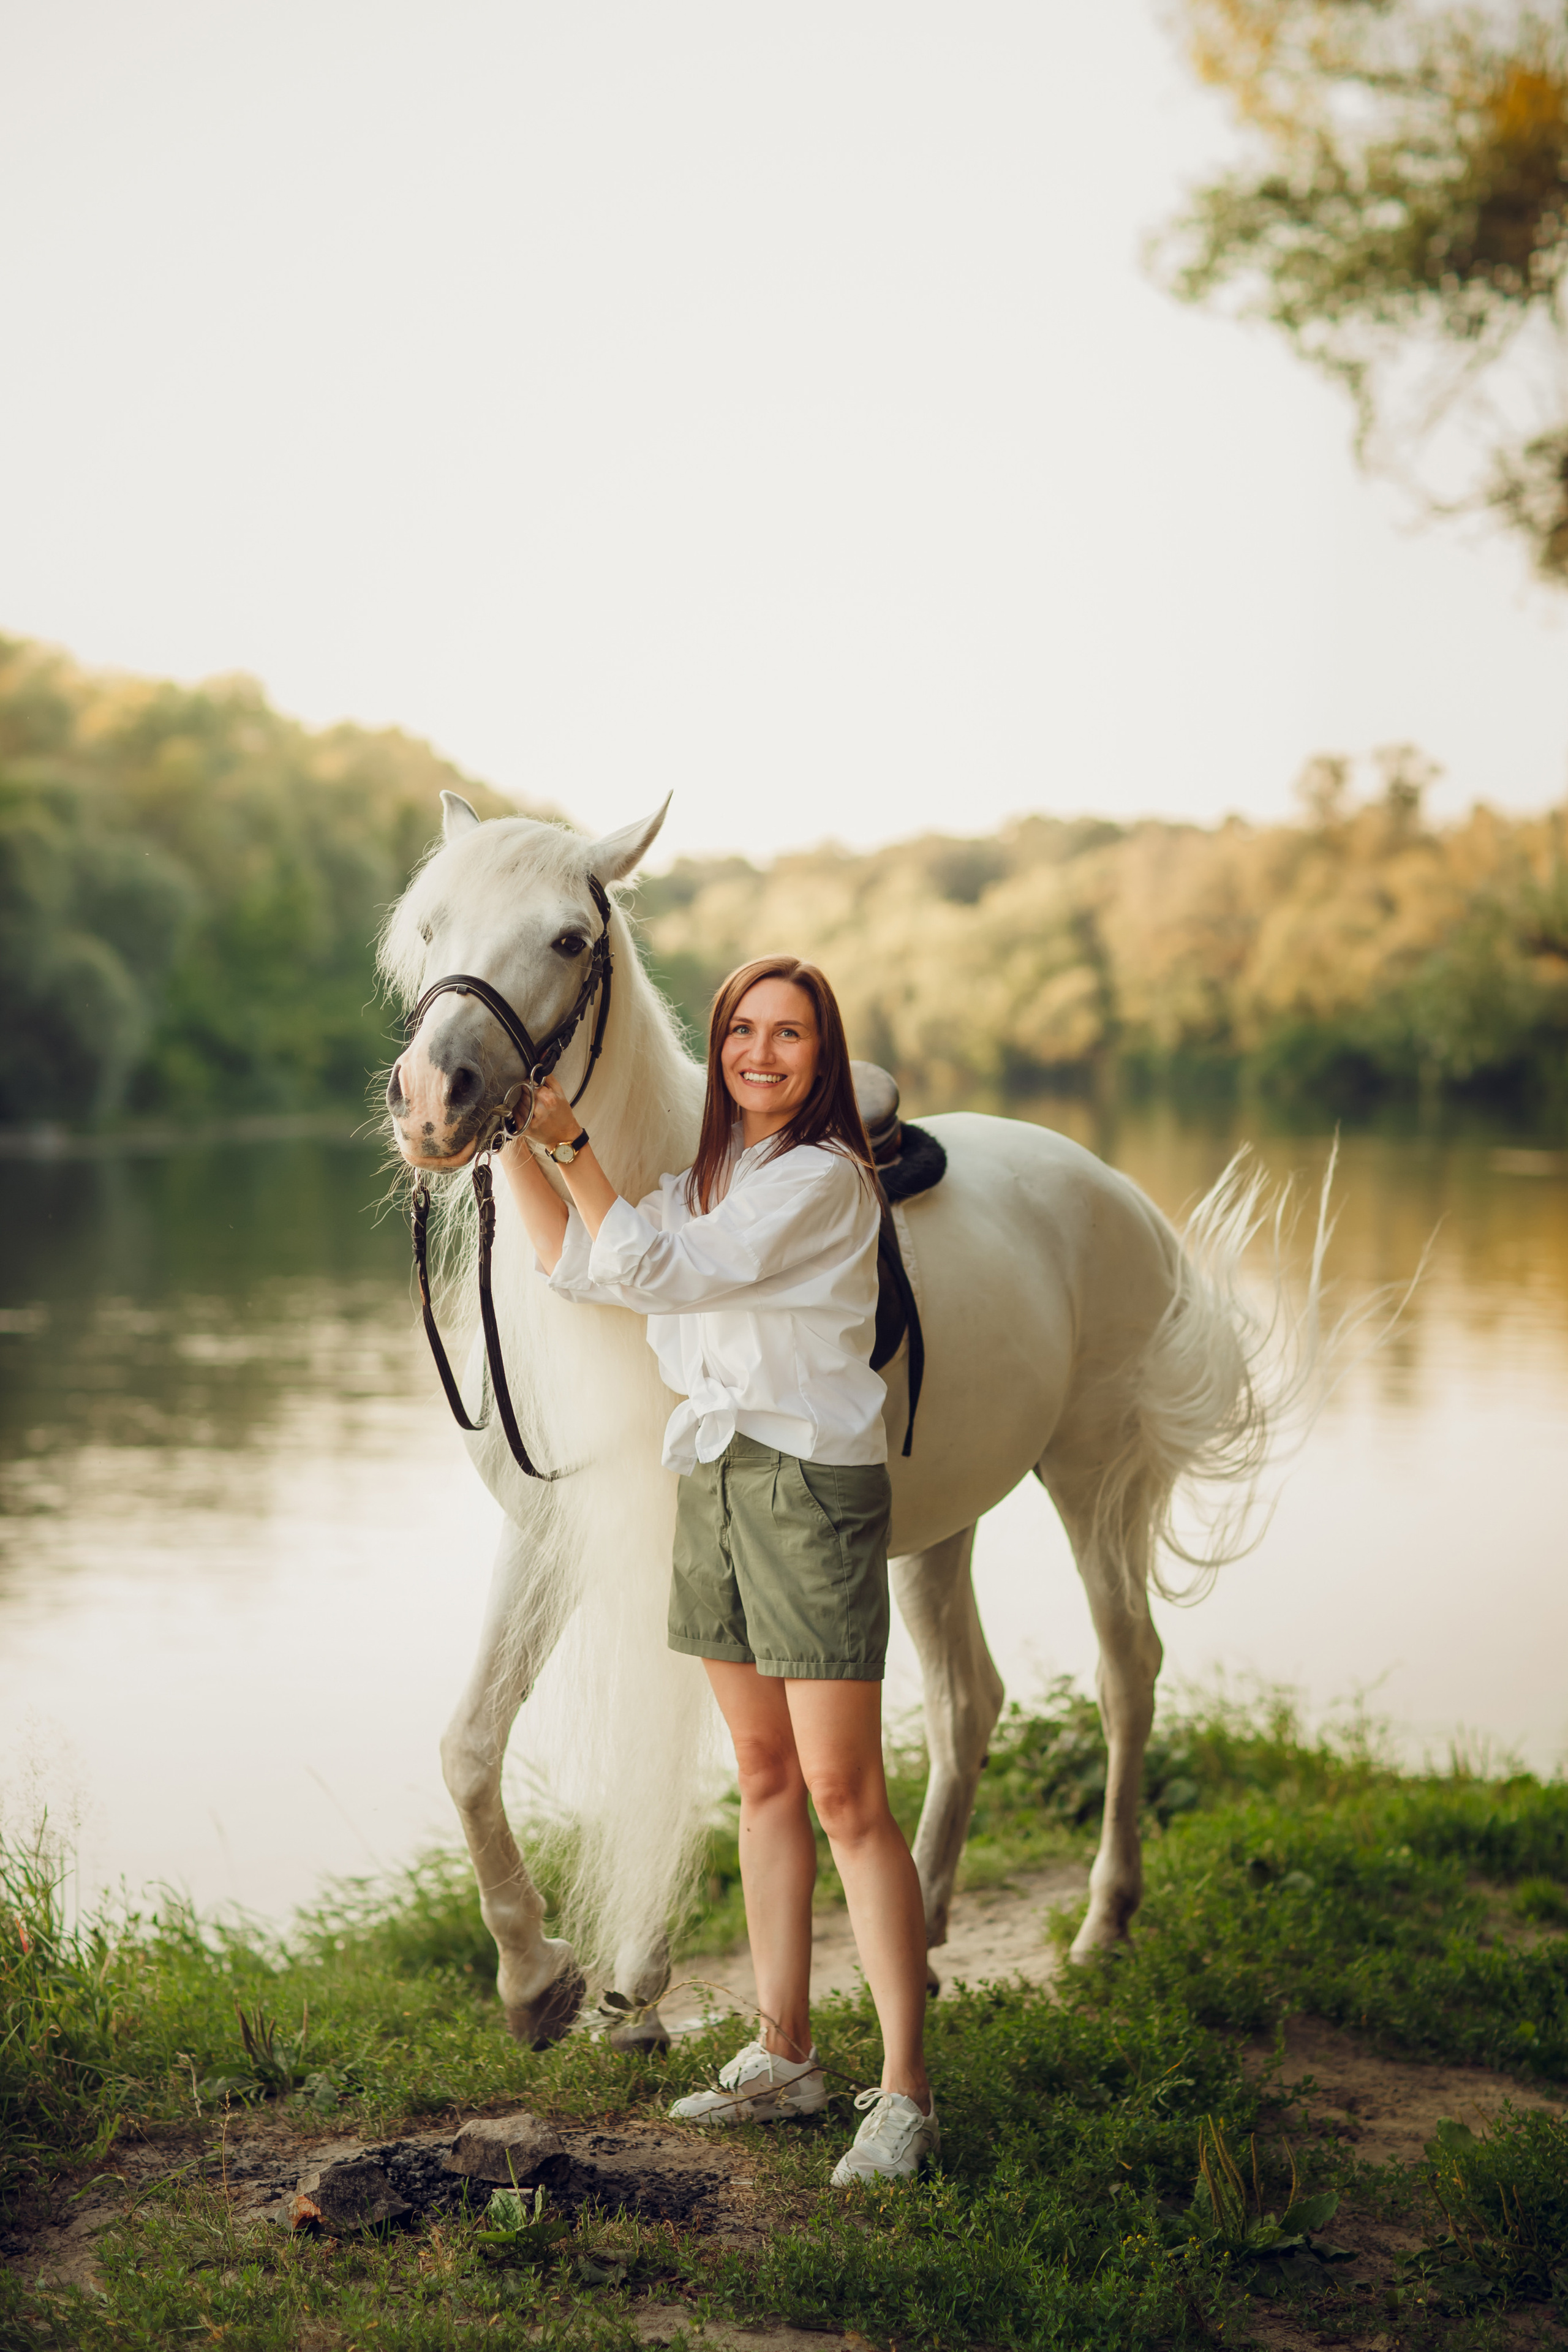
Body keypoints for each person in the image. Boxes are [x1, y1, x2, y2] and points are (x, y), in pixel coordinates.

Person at [500, 954, 937, 2187]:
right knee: (759, 1776)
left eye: (786, 1033)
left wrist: (570, 1137)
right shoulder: (718, 1176)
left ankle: (904, 2095)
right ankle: (785, 2053)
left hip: (807, 1490)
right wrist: (507, 1148)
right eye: (739, 1030)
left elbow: (660, 1270)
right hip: (717, 1481)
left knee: (845, 1793)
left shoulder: (818, 1179)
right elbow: (588, 1268)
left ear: (824, 1053)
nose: (758, 1052)